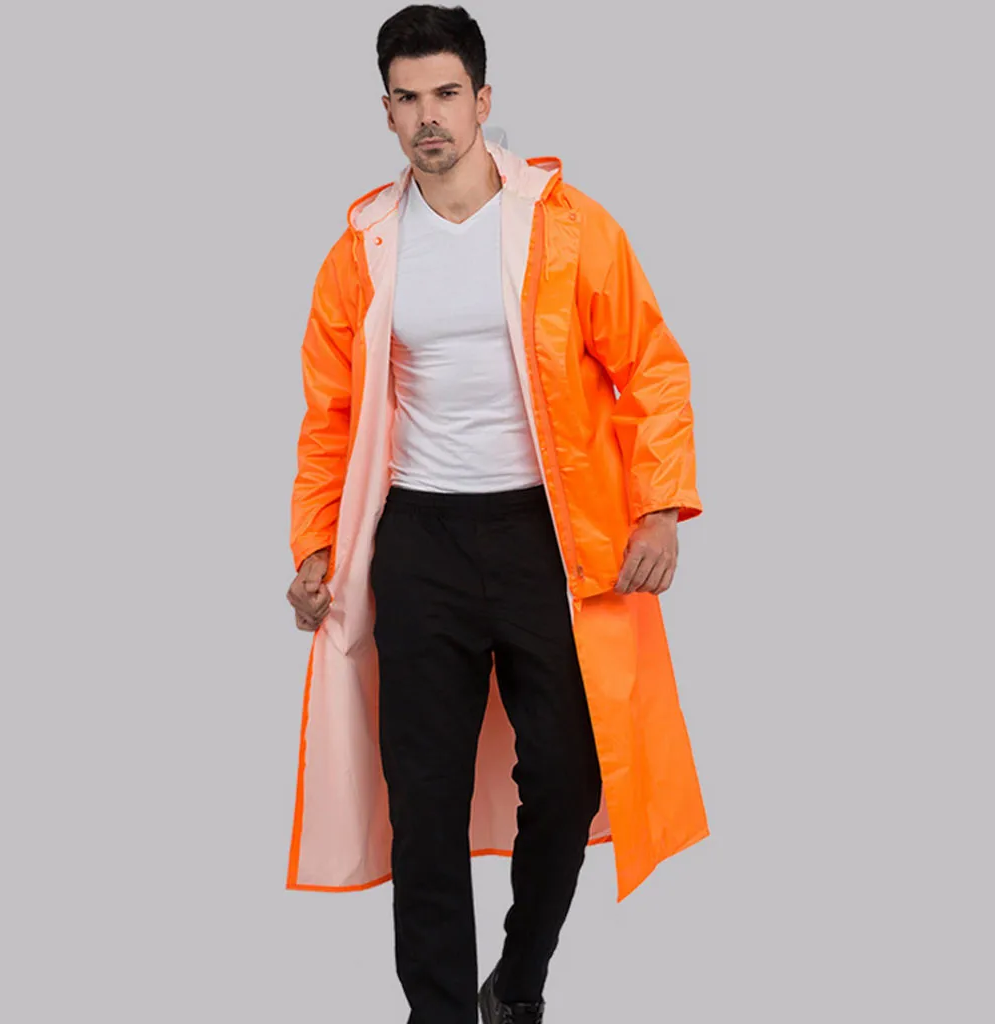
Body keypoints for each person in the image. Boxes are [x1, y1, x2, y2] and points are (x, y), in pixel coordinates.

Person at [284, 6, 709, 1022]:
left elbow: (652, 368)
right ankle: (437, 1012)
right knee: (422, 798)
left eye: (445, 94)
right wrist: (314, 547)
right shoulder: (364, 248)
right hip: (418, 541)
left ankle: (517, 984)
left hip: (549, 540)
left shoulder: (568, 227)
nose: (427, 117)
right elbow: (329, 415)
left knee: (566, 775)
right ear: (386, 111)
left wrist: (658, 507)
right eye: (407, 99)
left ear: (482, 100)